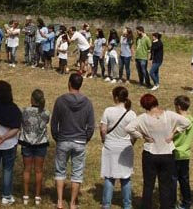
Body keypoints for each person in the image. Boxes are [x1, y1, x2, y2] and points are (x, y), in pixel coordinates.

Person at [125, 94, 191, 209]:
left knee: (148, 184)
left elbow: (129, 128)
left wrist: (142, 136)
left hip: (150, 154)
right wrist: (174, 132)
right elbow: (186, 122)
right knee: (166, 185)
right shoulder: (169, 115)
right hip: (167, 154)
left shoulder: (143, 118)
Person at [51, 74, 95, 209]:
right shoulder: (87, 102)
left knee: (60, 171)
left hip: (63, 139)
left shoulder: (60, 101)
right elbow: (91, 125)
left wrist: (57, 137)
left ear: (69, 83)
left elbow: (54, 123)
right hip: (80, 141)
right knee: (77, 173)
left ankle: (59, 201)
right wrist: (85, 138)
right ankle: (72, 203)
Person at [100, 86, 136, 209]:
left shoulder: (108, 111)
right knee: (125, 177)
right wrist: (131, 142)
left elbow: (103, 129)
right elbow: (134, 133)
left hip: (110, 145)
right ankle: (127, 204)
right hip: (125, 146)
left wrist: (104, 140)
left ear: (115, 97)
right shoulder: (131, 114)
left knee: (109, 176)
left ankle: (106, 204)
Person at [19, 89, 50, 205]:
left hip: (26, 143)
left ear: (32, 99)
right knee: (39, 171)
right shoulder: (46, 113)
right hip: (41, 144)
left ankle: (25, 195)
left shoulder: (24, 111)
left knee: (26, 170)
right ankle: (37, 196)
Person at [171, 96, 193, 209]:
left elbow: (171, 135)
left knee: (172, 179)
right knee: (184, 179)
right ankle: (187, 202)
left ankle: (172, 202)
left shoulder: (177, 121)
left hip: (175, 152)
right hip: (185, 154)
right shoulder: (192, 120)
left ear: (179, 106)